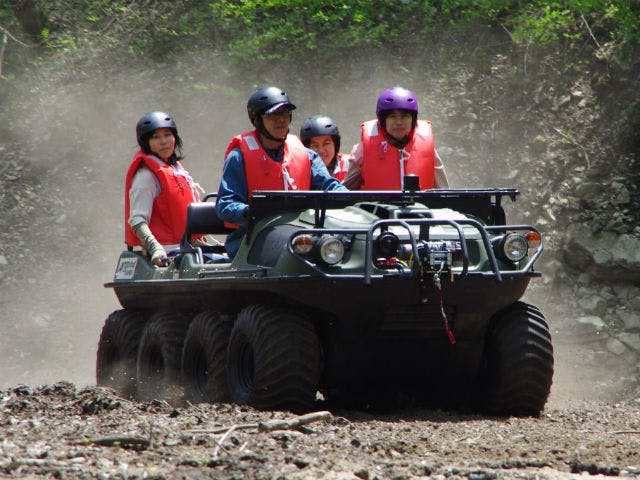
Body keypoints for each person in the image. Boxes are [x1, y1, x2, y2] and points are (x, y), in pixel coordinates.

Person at [216, 86, 347, 259]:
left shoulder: (307, 155)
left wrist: (351, 200)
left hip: (301, 236)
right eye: (273, 115)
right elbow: (225, 205)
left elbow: (330, 187)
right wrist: (254, 211)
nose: (281, 120)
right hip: (253, 241)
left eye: (285, 114)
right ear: (257, 120)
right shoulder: (239, 157)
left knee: (344, 245)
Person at [125, 111, 205, 266]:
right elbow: (137, 220)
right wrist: (155, 248)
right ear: (146, 142)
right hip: (167, 253)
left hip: (187, 249)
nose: (164, 141)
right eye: (156, 137)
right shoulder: (146, 176)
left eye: (167, 135)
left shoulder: (177, 170)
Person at [342, 86, 449, 191]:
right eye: (392, 116)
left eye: (404, 116)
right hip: (377, 208)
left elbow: (444, 192)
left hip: (418, 207)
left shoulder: (429, 150)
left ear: (413, 120)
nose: (398, 122)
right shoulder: (362, 150)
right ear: (383, 120)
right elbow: (345, 192)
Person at [299, 115, 350, 181]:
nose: (321, 151)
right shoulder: (299, 171)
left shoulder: (349, 165)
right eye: (315, 145)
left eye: (326, 143)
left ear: (335, 145)